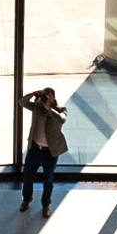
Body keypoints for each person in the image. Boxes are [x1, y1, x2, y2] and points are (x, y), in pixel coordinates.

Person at [19, 87, 69, 217]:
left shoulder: (60, 109)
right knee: (27, 176)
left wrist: (49, 109)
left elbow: (62, 119)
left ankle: (46, 205)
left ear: (54, 97)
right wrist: (32, 94)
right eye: (45, 96)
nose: (47, 99)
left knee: (48, 180)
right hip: (35, 149)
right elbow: (22, 102)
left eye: (49, 96)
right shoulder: (37, 106)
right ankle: (26, 199)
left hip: (50, 152)